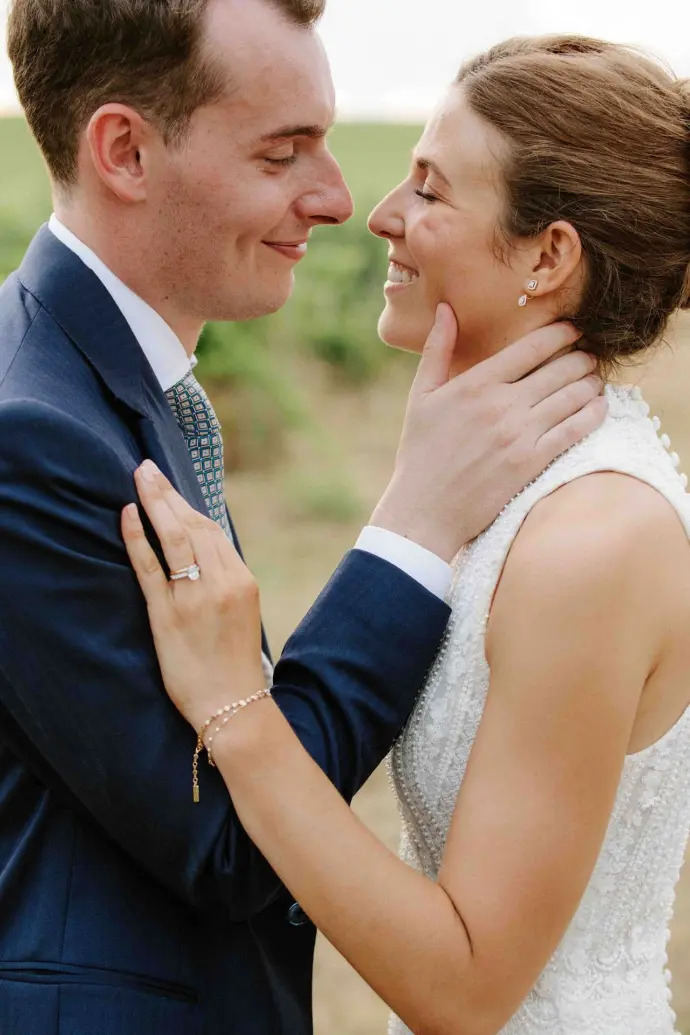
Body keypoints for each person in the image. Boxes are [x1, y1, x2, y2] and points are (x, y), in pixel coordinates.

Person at [0, 3, 601, 1034]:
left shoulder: (96, 380)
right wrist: (415, 521)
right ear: (125, 152)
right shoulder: (32, 437)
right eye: (285, 154)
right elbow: (230, 841)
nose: (336, 199)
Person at [123, 34, 690, 1035]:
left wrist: (239, 713)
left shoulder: (593, 539)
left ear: (549, 255)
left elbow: (466, 987)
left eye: (429, 190)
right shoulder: (511, 488)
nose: (380, 214)